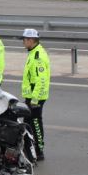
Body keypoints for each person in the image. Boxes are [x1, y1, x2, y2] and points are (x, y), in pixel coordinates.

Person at [21, 28, 50, 161]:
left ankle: (39, 151)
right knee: (27, 122)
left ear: (31, 40)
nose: (23, 42)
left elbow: (41, 79)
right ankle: (28, 148)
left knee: (36, 123)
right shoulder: (33, 52)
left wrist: (34, 99)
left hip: (35, 97)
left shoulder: (38, 56)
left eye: (24, 39)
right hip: (31, 95)